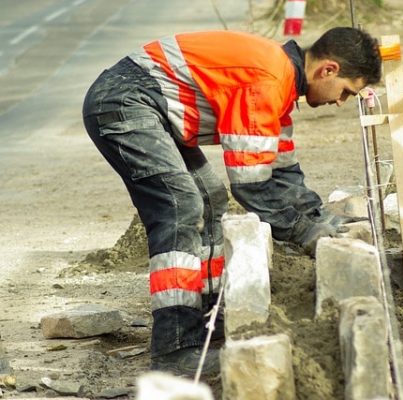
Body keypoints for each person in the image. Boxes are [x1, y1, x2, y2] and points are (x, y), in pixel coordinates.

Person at [82, 26, 382, 377]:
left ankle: (207, 321)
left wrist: (322, 220)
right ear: (328, 69)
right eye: (347, 91)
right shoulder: (267, 80)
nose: (340, 101)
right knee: (181, 206)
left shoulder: (280, 84)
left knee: (209, 199)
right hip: (124, 101)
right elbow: (251, 186)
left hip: (146, 104)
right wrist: (304, 232)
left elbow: (284, 173)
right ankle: (175, 350)